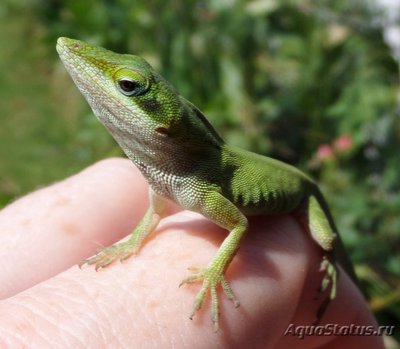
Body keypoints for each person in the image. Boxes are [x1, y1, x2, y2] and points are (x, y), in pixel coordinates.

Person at [0, 159, 384, 348]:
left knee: (326, 241)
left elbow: (237, 224)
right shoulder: (167, 177)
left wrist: (215, 270)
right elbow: (155, 212)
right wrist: (132, 242)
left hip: (301, 195)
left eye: (129, 86)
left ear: (164, 126)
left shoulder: (200, 186)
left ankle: (331, 265)